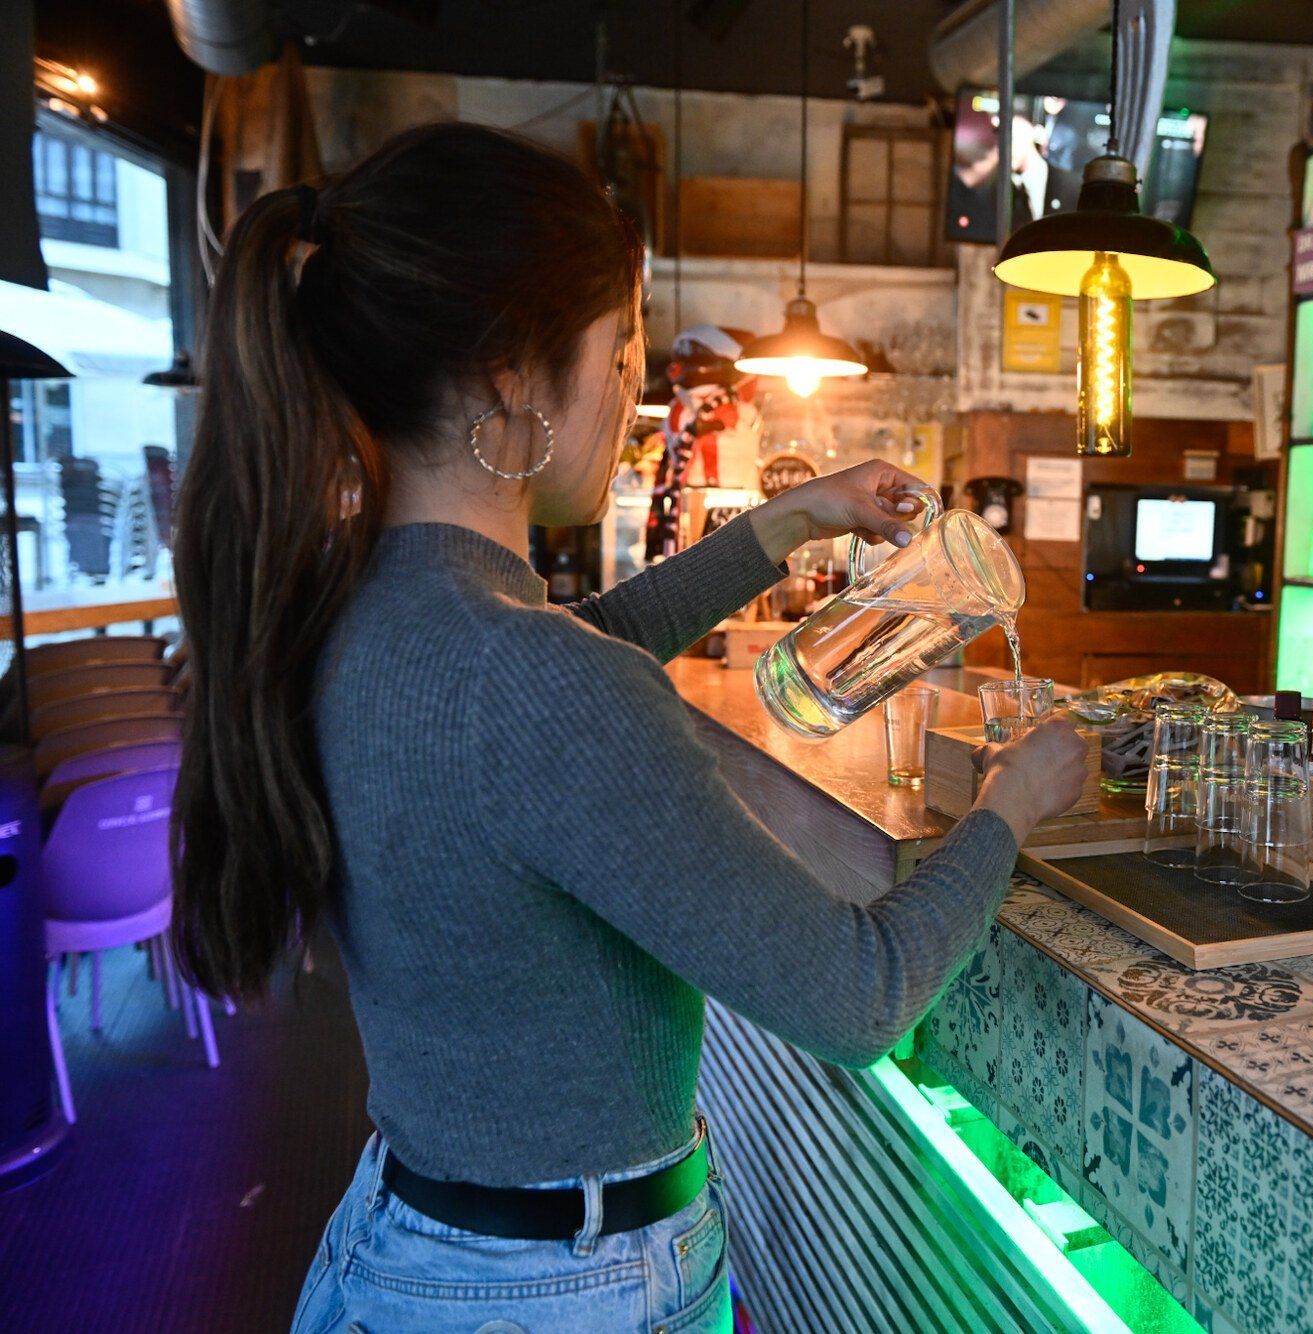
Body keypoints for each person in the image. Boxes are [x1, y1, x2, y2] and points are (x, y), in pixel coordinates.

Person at [169, 122, 1088, 1334]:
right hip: (563, 1292)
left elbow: (577, 650)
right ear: (510, 376)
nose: (630, 392)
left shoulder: (375, 607)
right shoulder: (525, 677)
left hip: (413, 1244)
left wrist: (790, 519)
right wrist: (1009, 805)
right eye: (620, 353)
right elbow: (858, 997)